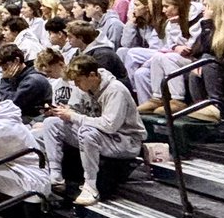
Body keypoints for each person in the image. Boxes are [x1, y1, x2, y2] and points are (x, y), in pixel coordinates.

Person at [42, 55, 146, 206]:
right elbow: (75, 110)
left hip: (126, 141)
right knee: (52, 123)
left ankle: (91, 186)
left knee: (87, 132)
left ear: (92, 75)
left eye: (78, 81)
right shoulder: (82, 88)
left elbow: (109, 125)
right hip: (101, 136)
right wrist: (62, 111)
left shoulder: (115, 90)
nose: (76, 85)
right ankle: (56, 176)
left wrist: (73, 116)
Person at [0, 45, 52, 121]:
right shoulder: (17, 76)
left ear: (16, 61)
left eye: (5, 66)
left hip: (36, 120)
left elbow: (10, 106)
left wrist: (5, 81)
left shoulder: (33, 80)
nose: (3, 71)